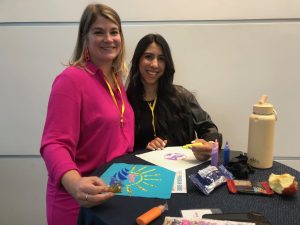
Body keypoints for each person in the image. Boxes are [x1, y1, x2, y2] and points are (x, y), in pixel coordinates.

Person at [40, 4, 134, 225]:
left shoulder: (117, 81)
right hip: (77, 203)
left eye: (114, 31)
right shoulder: (71, 80)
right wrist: (74, 184)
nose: (108, 38)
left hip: (111, 195)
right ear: (85, 38)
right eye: (98, 32)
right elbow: (53, 144)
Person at [126, 33, 221, 160]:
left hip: (183, 169)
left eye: (161, 59)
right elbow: (124, 146)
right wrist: (146, 147)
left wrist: (208, 144)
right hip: (144, 173)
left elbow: (208, 127)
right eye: (148, 57)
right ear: (138, 60)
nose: (154, 64)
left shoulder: (182, 96)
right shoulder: (126, 101)